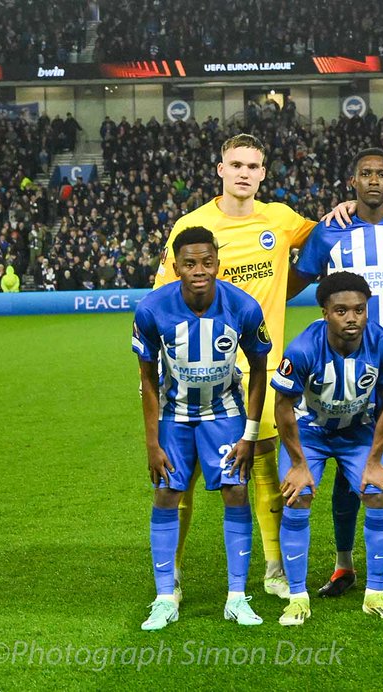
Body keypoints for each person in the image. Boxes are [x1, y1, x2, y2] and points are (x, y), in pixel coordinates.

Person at [152, 133, 360, 603]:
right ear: (221, 169)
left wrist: (359, 203)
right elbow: (163, 296)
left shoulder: (280, 219)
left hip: (262, 368)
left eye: (253, 165)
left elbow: (330, 227)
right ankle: (173, 575)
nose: (244, 172)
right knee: (179, 474)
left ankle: (273, 568)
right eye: (236, 164)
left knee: (264, 459)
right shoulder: (192, 224)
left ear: (264, 173)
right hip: (199, 368)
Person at [289, 148, 383, 598]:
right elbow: (297, 279)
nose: (373, 180)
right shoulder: (330, 231)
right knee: (346, 473)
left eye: (381, 173)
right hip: (343, 373)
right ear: (351, 182)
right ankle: (344, 563)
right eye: (365, 174)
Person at [133, 226, 271, 631]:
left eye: (207, 262)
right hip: (174, 417)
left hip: (224, 413)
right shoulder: (151, 308)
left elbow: (260, 369)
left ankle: (236, 596)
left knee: (236, 490)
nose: (199, 270)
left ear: (217, 264)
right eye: (190, 263)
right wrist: (151, 442)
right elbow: (146, 378)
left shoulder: (243, 307)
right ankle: (164, 597)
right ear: (176, 267)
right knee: (166, 493)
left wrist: (248, 435)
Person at [272, 271, 383, 624]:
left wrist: (376, 460)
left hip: (357, 433)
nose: (352, 318)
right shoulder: (302, 348)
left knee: (379, 492)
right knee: (297, 495)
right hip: (310, 434)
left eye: (359, 310)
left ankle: (375, 593)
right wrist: (299, 463)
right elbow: (283, 406)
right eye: (341, 311)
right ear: (324, 312)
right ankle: (298, 597)